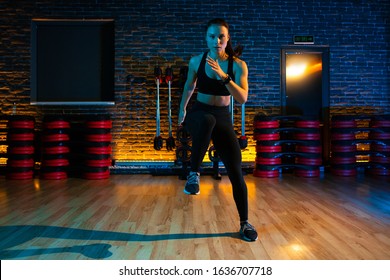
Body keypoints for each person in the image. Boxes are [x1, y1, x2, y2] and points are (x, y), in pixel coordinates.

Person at [178, 18, 258, 242]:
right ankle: (193, 174)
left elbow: (242, 98)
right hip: (199, 113)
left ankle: (244, 223)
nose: (217, 40)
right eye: (212, 36)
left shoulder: (238, 65)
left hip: (222, 117)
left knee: (235, 170)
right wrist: (181, 111)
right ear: (206, 38)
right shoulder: (196, 61)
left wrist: (224, 77)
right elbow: (189, 86)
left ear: (227, 38)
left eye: (221, 36)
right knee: (207, 120)